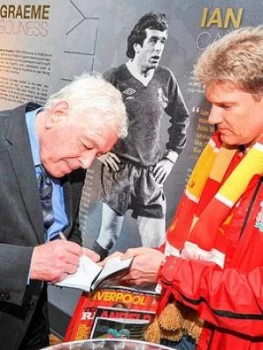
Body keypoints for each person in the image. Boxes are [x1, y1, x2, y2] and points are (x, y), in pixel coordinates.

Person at [115, 26, 263, 349]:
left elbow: (257, 296)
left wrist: (168, 271)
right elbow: (188, 243)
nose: (212, 119)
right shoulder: (222, 151)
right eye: (211, 105)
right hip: (188, 323)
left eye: (226, 105)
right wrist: (140, 262)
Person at [0, 73, 127, 350]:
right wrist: (28, 264)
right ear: (58, 113)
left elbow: (64, 226)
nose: (86, 162)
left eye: (98, 154)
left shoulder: (69, 161)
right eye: (86, 145)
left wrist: (72, 253)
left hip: (32, 321)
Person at [92, 12, 189, 259]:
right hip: (118, 171)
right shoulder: (114, 77)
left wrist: (171, 157)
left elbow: (181, 118)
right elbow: (89, 117)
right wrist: (99, 151)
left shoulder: (164, 78)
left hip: (149, 172)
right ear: (137, 45)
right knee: (108, 237)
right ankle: (87, 288)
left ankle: (150, 296)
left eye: (163, 41)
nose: (158, 48)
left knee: (155, 246)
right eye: (153, 40)